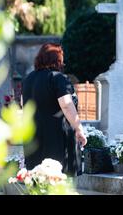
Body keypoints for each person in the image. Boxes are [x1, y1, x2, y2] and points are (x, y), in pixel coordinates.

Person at [22, 43, 87, 176]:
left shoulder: (28, 79)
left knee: (38, 181)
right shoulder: (58, 78)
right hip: (56, 139)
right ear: (57, 59)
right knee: (57, 180)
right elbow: (66, 105)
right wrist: (79, 129)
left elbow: (24, 106)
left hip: (33, 138)